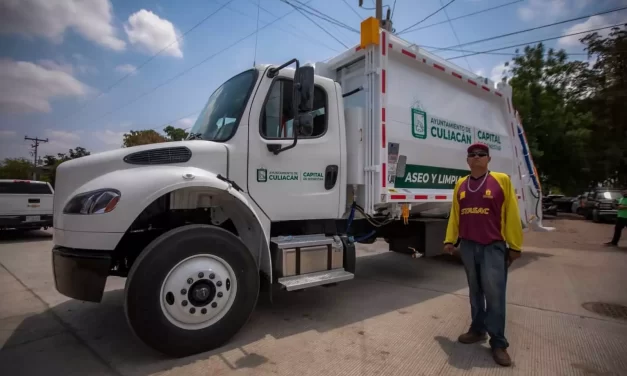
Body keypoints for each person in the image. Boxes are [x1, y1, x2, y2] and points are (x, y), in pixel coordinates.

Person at [443, 142, 523, 367]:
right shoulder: (460, 184)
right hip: (468, 246)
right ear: (467, 160)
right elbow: (455, 215)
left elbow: (511, 214)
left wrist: (515, 246)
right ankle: (478, 330)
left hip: (493, 246)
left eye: (481, 154)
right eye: (472, 155)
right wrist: (450, 240)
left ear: (488, 159)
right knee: (475, 291)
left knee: (494, 294)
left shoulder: (501, 181)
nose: (476, 157)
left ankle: (498, 343)